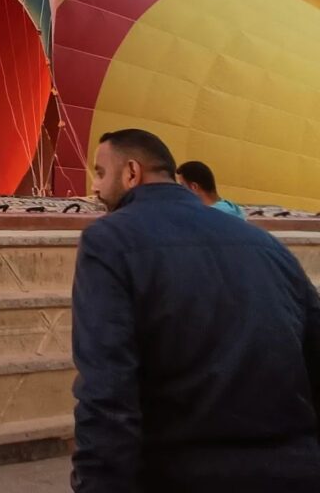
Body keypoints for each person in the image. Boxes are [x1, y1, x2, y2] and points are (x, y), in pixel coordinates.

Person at [72, 128, 320, 492]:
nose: (95, 187)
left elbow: (107, 390)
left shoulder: (109, 241)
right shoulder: (264, 243)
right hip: (294, 471)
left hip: (182, 474)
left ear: (131, 173)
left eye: (100, 172)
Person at [176, 160, 245, 218]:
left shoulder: (213, 216)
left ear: (194, 187)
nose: (180, 190)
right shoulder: (231, 208)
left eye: (182, 185)